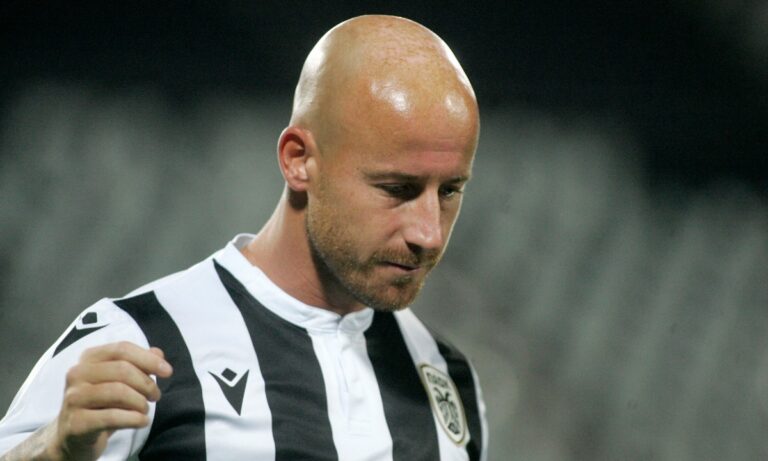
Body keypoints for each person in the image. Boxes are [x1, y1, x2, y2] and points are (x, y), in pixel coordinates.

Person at [0, 14, 487, 461]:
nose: (429, 232)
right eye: (397, 189)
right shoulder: (137, 343)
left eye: (450, 190)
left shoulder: (445, 377)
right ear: (299, 160)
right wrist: (54, 449)